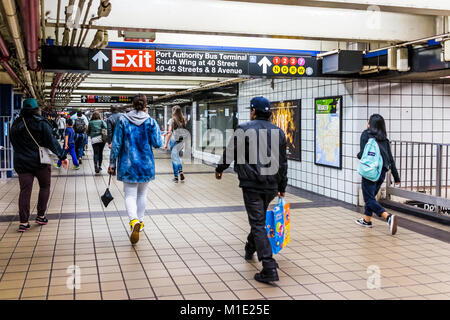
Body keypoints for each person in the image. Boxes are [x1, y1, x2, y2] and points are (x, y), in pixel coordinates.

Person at [215, 97, 288, 284]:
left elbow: (230, 152)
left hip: (251, 184)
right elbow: (283, 163)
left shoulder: (244, 129)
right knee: (259, 219)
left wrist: (220, 168)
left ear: (253, 111)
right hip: (271, 185)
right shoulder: (279, 132)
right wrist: (282, 186)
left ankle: (269, 266)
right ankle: (249, 247)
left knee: (257, 222)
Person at [108, 94, 162, 244]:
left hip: (128, 164)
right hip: (146, 164)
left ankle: (133, 221)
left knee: (130, 195)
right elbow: (158, 143)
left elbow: (116, 143)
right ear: (145, 105)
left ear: (132, 105)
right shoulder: (151, 121)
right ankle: (141, 222)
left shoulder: (123, 120)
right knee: (142, 194)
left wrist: (112, 163)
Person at [10, 98, 69, 232]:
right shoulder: (42, 123)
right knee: (44, 186)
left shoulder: (16, 124)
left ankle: (23, 222)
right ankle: (40, 216)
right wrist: (63, 156)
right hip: (40, 162)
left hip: (22, 163)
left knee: (25, 191)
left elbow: (13, 142)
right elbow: (51, 141)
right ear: (37, 109)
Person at [356, 114, 400, 235]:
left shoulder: (366, 134)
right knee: (371, 197)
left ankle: (388, 217)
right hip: (382, 172)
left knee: (369, 199)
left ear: (371, 124)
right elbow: (390, 159)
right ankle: (367, 220)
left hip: (370, 171)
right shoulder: (384, 139)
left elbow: (362, 154)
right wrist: (396, 177)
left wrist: (358, 155)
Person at [164, 105, 186, 183]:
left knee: (174, 159)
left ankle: (176, 177)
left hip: (173, 141)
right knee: (177, 158)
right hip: (180, 141)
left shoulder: (171, 120)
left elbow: (169, 133)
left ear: (173, 112)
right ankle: (180, 171)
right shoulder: (183, 120)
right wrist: (184, 143)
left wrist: (166, 143)